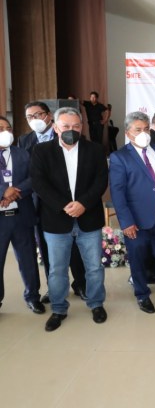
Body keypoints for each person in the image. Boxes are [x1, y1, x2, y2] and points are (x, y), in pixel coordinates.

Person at [30, 107, 108, 332]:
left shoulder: (95, 150)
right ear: (55, 127)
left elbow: (101, 181)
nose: (71, 130)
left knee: (94, 267)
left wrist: (83, 203)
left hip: (88, 217)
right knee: (57, 269)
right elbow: (39, 183)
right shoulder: (41, 151)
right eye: (65, 126)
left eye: (76, 126)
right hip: (56, 220)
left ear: (82, 127)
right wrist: (64, 205)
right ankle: (58, 309)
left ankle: (96, 304)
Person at [18, 101, 87, 304]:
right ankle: (54, 288)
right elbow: (28, 174)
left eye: (38, 114)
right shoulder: (24, 140)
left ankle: (80, 284)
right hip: (40, 203)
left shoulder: (71, 134)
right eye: (30, 117)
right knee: (47, 248)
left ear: (49, 116)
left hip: (72, 203)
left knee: (75, 246)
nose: (35, 119)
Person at [110, 112, 155, 313]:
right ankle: (142, 294)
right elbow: (117, 192)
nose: (143, 133)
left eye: (146, 129)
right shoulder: (119, 157)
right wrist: (126, 222)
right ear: (128, 133)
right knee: (138, 258)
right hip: (136, 220)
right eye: (138, 130)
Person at [0, 116, 44, 314]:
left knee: (28, 259)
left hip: (22, 215)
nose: (5, 132)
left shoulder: (23, 153)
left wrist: (14, 191)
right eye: (1, 128)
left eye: (8, 128)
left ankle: (33, 296)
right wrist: (3, 191)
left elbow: (34, 177)